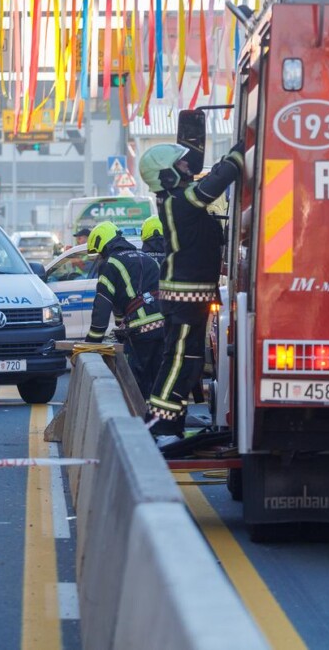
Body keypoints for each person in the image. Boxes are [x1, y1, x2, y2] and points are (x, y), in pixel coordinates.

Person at [138, 139, 244, 440]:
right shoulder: (179, 201)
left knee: (190, 361)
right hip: (184, 298)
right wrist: (242, 148)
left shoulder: (177, 200)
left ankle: (171, 421)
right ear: (167, 174)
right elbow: (216, 181)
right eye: (182, 164)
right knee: (179, 361)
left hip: (189, 297)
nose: (189, 167)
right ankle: (159, 425)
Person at [82, 221, 165, 396]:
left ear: (102, 243)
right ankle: (161, 420)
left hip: (141, 331)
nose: (100, 258)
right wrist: (121, 325)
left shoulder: (110, 263)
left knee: (138, 385)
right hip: (165, 328)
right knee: (159, 383)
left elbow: (103, 303)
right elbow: (125, 300)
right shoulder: (146, 258)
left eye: (99, 253)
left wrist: (92, 341)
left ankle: (143, 421)